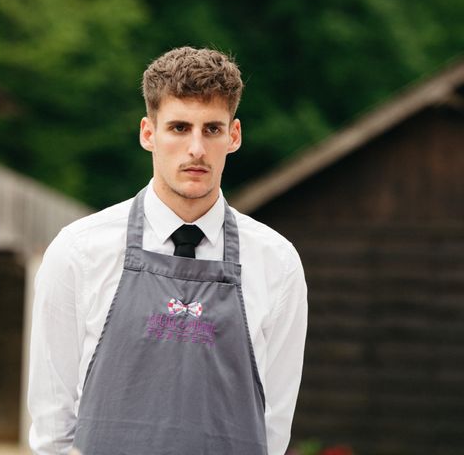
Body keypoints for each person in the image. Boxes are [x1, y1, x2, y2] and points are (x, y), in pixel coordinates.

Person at [27, 47, 307, 455]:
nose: (196, 149)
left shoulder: (277, 264)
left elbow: (273, 429)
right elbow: (52, 427)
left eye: (212, 129)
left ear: (234, 136)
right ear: (148, 133)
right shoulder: (79, 252)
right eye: (178, 127)